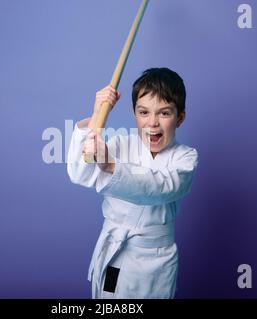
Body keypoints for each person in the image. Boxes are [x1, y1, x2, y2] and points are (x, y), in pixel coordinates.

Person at [67, 68, 198, 298]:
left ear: (180, 117)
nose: (153, 123)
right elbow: (80, 173)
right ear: (134, 113)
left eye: (164, 113)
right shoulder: (119, 145)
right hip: (117, 257)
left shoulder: (186, 158)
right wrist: (96, 115)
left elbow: (160, 186)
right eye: (144, 112)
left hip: (158, 264)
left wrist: (111, 166)